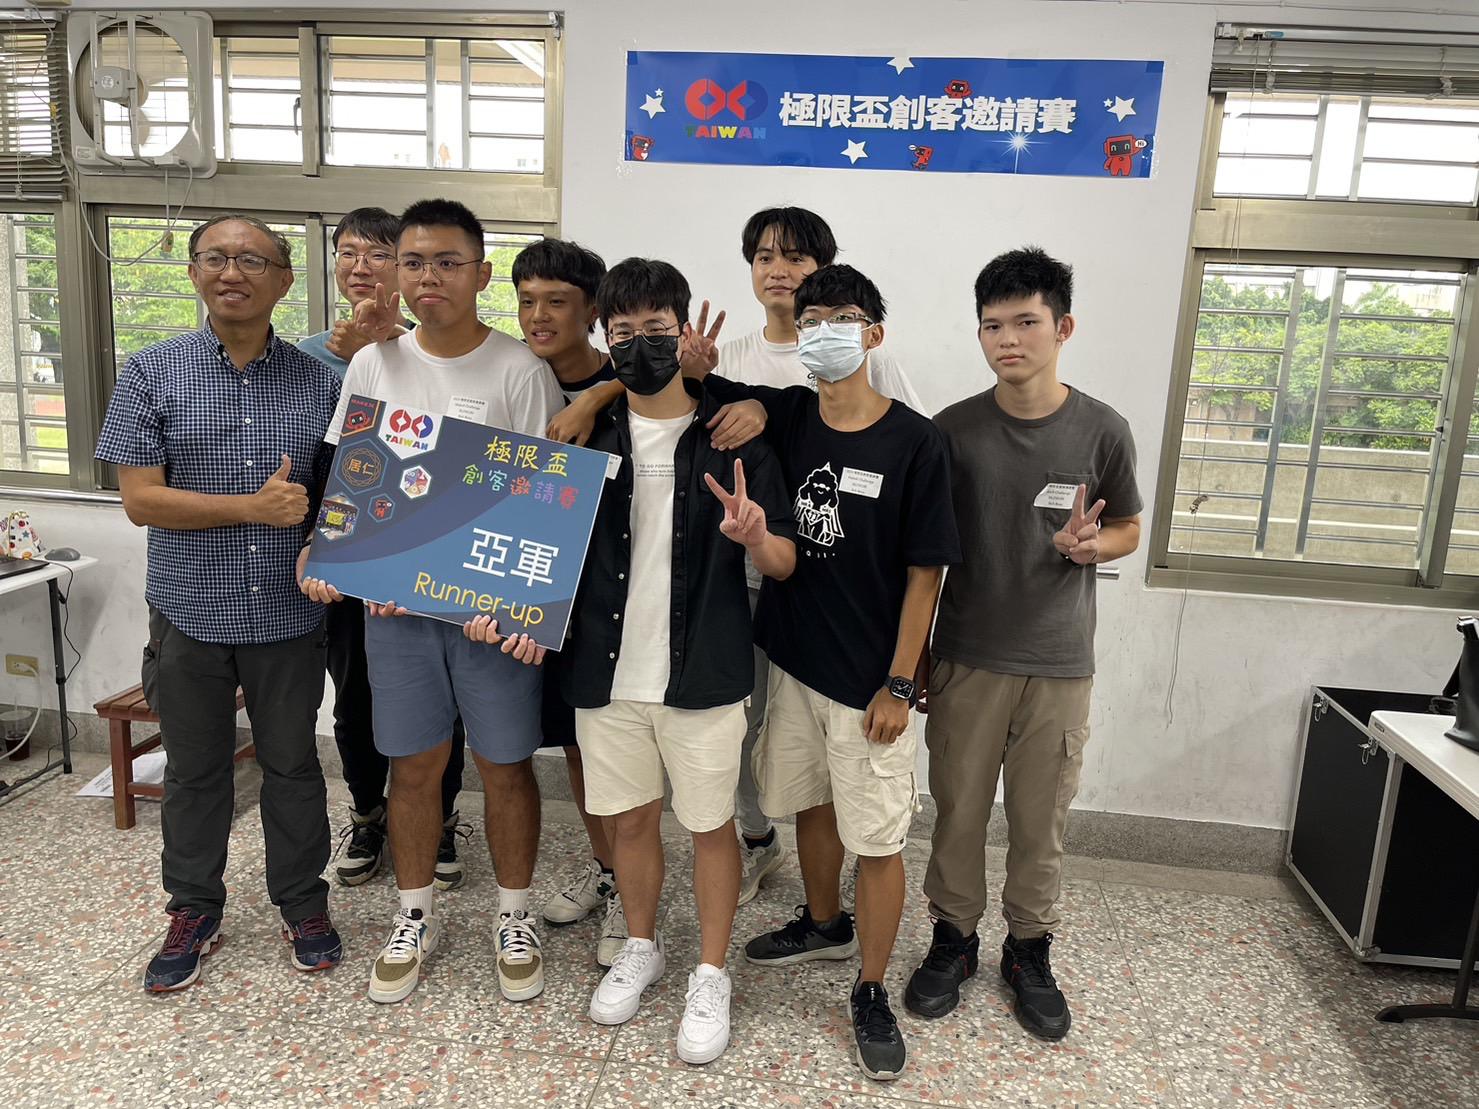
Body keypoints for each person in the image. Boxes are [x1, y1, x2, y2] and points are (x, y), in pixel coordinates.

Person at [299, 198, 563, 1006]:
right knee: (413, 765)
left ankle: (512, 913)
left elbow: (543, 502)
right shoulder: (374, 363)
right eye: (412, 261)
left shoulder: (520, 370)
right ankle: (414, 915)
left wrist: (520, 604)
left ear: (482, 273)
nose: (428, 277)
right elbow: (349, 478)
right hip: (396, 614)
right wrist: (332, 552)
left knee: (505, 765)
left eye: (448, 262)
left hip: (488, 616)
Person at [704, 264, 960, 1082]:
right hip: (794, 662)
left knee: (876, 838)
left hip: (868, 681)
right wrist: (703, 372)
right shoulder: (788, 412)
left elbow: (926, 572)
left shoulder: (916, 441)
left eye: (841, 317)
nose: (822, 330)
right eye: (810, 317)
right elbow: (711, 393)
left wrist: (899, 682)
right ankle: (823, 922)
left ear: (872, 334)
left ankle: (871, 987)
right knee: (808, 802)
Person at [97, 213, 344, 992]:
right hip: (189, 612)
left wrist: (322, 538)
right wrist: (251, 508)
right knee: (195, 772)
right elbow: (141, 500)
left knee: (292, 767)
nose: (231, 272)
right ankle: (194, 908)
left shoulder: (320, 381)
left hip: (288, 614)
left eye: (251, 260)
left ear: (284, 279)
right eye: (215, 257)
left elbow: (342, 494)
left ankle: (302, 902)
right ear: (194, 272)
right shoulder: (150, 371)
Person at [562, 257, 795, 1065]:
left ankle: (710, 970)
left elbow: (784, 563)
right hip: (605, 671)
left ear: (684, 332)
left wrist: (754, 537)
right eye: (622, 332)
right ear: (604, 339)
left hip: (704, 671)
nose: (639, 344)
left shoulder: (732, 435)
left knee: (708, 824)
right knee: (629, 819)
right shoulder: (584, 434)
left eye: (655, 329)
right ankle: (640, 944)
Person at [905, 247, 1141, 1042]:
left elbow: (1128, 525)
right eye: (991, 325)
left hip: (1059, 662)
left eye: (1025, 322)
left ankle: (1028, 949)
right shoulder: (952, 431)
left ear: (1062, 328)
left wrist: (1094, 546)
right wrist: (917, 655)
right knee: (958, 813)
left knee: (1041, 821)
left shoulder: (1102, 428)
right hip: (966, 656)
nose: (1007, 339)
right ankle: (952, 939)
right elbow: (927, 556)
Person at [692, 206, 925, 908]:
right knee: (745, 725)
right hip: (740, 577)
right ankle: (759, 838)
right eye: (765, 256)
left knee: (839, 739)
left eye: (796, 257)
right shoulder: (727, 356)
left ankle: (859, 862)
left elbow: (910, 465)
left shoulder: (867, 355)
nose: (779, 269)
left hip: (837, 590)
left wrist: (908, 666)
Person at [296, 205, 469, 891]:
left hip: (436, 554)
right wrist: (323, 544)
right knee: (355, 694)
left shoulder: (442, 346)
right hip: (354, 552)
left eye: (378, 253)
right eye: (348, 252)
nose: (361, 266)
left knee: (443, 696)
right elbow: (332, 460)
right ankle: (368, 814)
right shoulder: (314, 353)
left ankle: (441, 818)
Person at [509, 238, 630, 966]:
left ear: (592, 310)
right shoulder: (508, 374)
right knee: (568, 744)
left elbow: (681, 379)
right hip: (530, 597)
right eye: (527, 301)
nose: (539, 316)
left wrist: (598, 393)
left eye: (557, 301)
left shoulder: (627, 381)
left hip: (607, 604)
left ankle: (628, 890)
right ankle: (607, 868)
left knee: (606, 749)